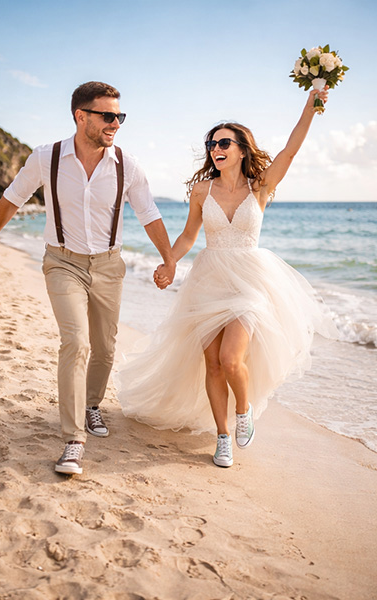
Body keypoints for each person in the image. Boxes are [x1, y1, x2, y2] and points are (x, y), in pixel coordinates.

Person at [116, 88, 336, 468]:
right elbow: (188, 235)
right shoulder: (202, 190)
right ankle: (222, 437)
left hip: (250, 280)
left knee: (232, 359)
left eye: (223, 142)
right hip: (209, 278)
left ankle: (244, 411)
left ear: (241, 149)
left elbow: (289, 150)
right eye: (211, 143)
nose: (215, 148)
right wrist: (169, 262)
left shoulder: (261, 186)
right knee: (212, 363)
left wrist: (311, 106)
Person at [0, 81, 176, 476]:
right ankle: (73, 439)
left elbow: (149, 213)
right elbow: (12, 198)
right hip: (62, 262)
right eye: (107, 116)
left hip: (109, 266)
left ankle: (91, 404)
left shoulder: (127, 164)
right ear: (81, 116)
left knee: (104, 347)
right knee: (76, 342)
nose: (115, 123)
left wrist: (168, 259)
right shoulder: (46, 158)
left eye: (120, 116)